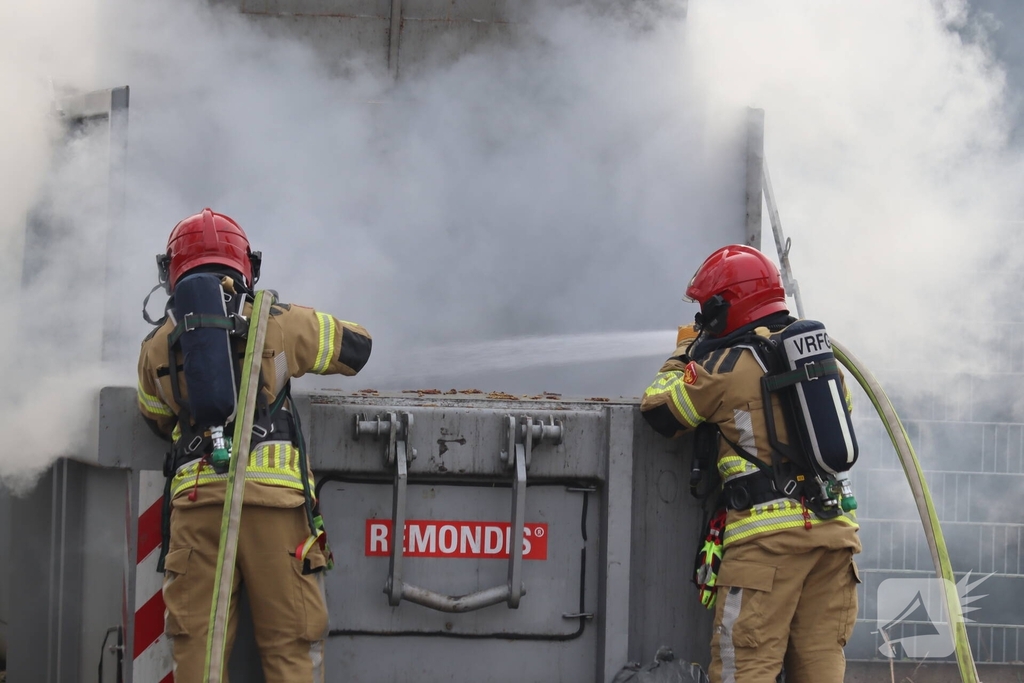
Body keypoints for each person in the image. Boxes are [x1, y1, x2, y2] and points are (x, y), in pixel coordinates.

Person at [136, 208, 372, 682]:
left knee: (198, 657)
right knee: (291, 649)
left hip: (198, 505)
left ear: (170, 271)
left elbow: (156, 417)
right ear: (247, 265)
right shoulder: (280, 322)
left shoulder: (157, 345)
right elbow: (357, 349)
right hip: (275, 508)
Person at [640, 244, 860, 683]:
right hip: (835, 538)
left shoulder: (722, 366)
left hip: (766, 548)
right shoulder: (820, 359)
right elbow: (843, 410)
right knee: (821, 665)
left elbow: (661, 411)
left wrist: (684, 352)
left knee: (747, 668)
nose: (705, 319)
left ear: (727, 305)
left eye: (707, 311)